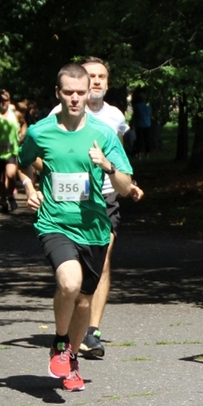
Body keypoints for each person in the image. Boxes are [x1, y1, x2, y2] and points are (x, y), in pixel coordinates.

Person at [19, 63, 133, 392]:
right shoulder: (40, 131)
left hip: (94, 227)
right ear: (58, 93)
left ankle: (71, 358)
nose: (74, 98)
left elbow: (125, 186)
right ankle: (59, 341)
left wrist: (107, 165)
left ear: (88, 94)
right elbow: (22, 163)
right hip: (54, 222)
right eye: (68, 92)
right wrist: (29, 188)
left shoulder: (103, 133)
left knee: (84, 301)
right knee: (69, 283)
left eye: (80, 93)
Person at [59, 57, 146, 358]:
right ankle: (73, 318)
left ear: (107, 83)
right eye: (91, 76)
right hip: (70, 199)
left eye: (101, 77)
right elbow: (43, 155)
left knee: (103, 259)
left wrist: (129, 184)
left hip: (105, 197)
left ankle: (91, 331)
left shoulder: (115, 116)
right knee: (72, 267)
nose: (96, 81)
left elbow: (118, 157)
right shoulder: (58, 114)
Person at [0, 89, 26, 212]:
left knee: (11, 175)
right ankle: (3, 200)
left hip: (12, 150)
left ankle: (10, 195)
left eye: (5, 100)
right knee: (0, 179)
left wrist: (22, 135)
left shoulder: (15, 114)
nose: (3, 103)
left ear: (9, 101)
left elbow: (24, 124)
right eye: (1, 100)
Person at [131, 90, 153, 158]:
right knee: (147, 139)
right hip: (147, 124)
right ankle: (148, 153)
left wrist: (132, 123)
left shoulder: (137, 106)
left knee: (139, 139)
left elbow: (135, 115)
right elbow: (150, 114)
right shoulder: (148, 106)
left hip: (139, 124)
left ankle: (139, 153)